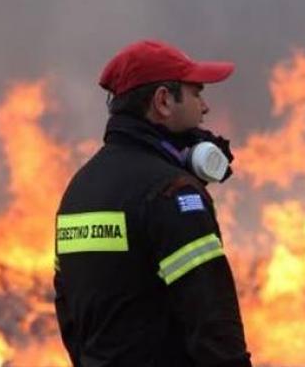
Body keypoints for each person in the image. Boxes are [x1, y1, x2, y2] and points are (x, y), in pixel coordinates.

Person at [54, 40, 252, 366]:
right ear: (163, 101)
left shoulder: (78, 192)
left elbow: (70, 315)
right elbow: (214, 327)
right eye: (196, 93)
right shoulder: (174, 193)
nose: (205, 108)